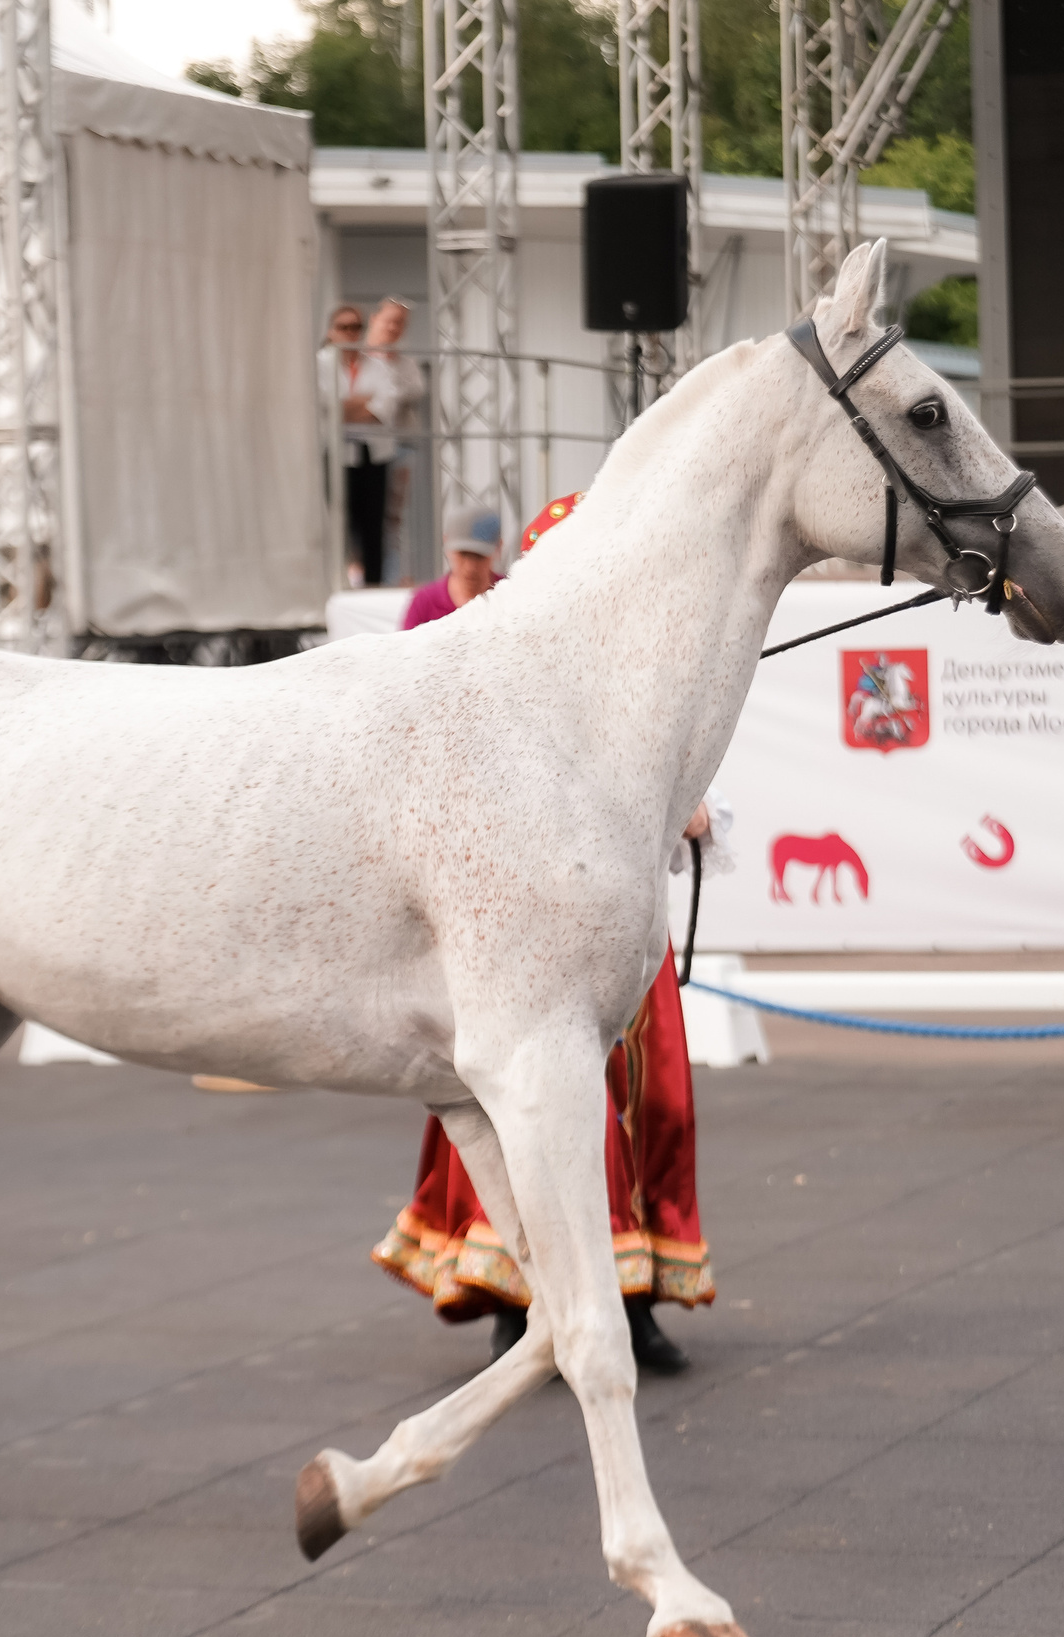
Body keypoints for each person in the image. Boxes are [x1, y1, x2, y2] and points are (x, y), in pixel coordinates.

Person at [371, 492, 729, 1374]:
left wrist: (682, 805)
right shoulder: (496, 675)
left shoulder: (641, 677)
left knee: (651, 1114)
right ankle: (518, 1302)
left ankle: (636, 1300)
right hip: (526, 942)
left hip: (616, 934)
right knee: (531, 1116)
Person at [320, 299, 424, 588]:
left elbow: (386, 407)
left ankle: (375, 582)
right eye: (344, 327)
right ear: (331, 331)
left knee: (376, 522)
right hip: (336, 451)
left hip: (374, 452)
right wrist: (359, 404)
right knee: (338, 519)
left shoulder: (379, 364)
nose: (351, 333)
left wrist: (346, 408)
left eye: (357, 327)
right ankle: (340, 580)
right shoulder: (321, 364)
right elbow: (323, 405)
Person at [402, 507, 504, 628]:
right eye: (463, 554)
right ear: (446, 542)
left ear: (499, 547)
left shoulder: (508, 596)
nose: (470, 567)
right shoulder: (424, 603)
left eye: (479, 556)